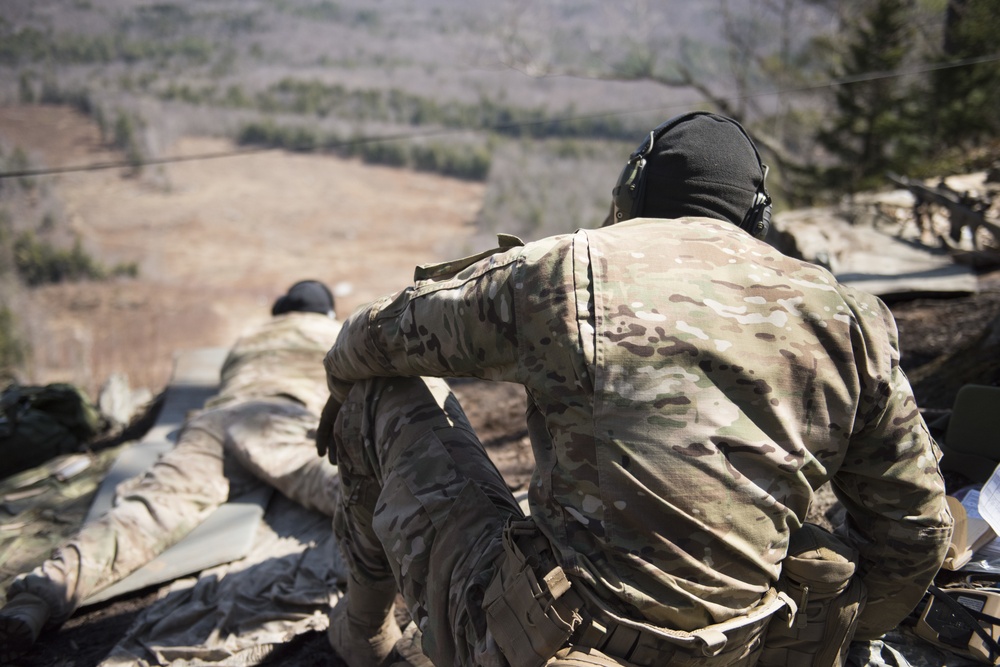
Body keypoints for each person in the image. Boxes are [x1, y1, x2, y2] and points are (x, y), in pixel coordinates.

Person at [316, 112, 954, 667]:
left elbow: (377, 334)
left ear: (633, 189)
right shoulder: (850, 316)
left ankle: (362, 633)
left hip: (550, 646)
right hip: (739, 650)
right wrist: (858, 626)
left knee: (378, 394)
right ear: (756, 218)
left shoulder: (562, 270)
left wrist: (339, 393)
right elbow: (916, 529)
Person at [0, 280, 344, 661]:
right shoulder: (334, 332)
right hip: (280, 419)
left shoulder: (252, 334)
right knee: (345, 493)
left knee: (146, 510)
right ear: (327, 312)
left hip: (215, 421)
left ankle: (35, 599)